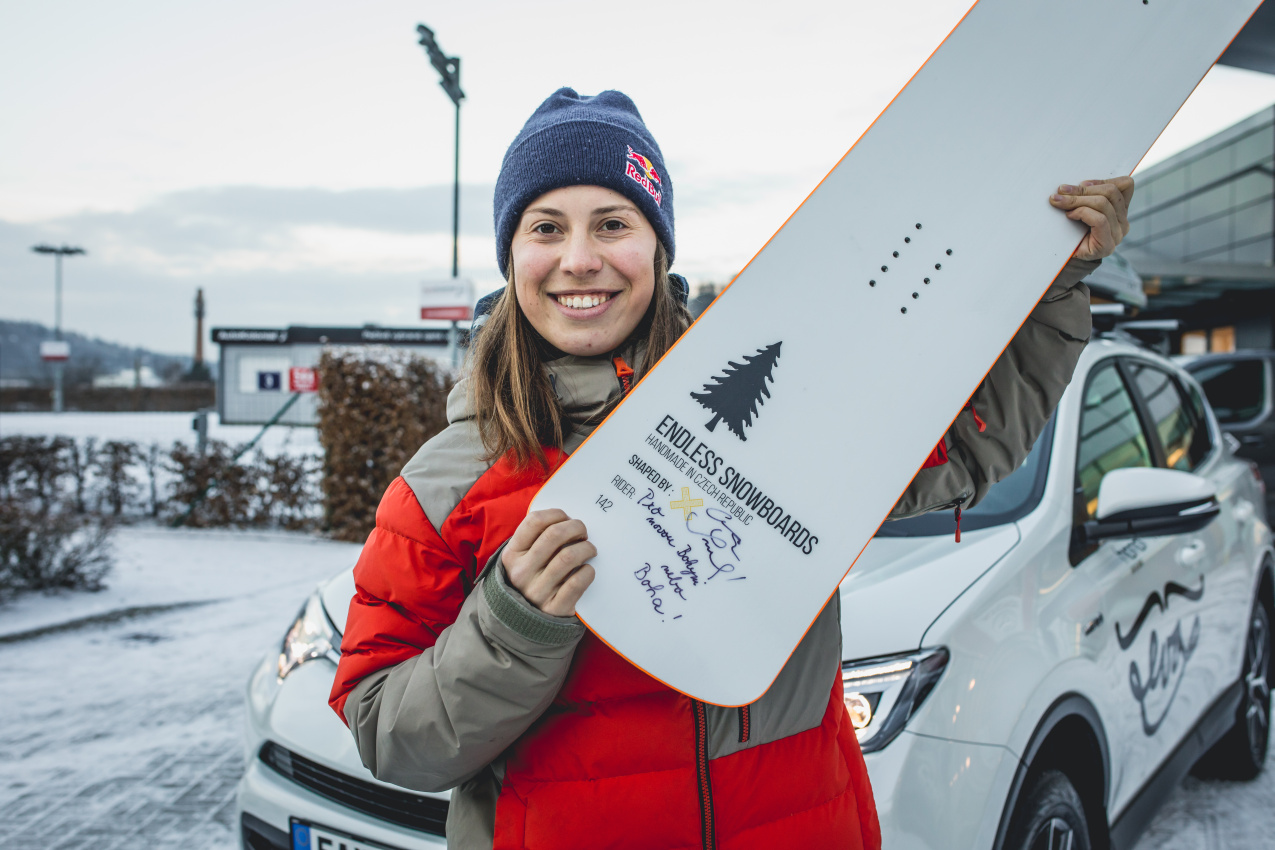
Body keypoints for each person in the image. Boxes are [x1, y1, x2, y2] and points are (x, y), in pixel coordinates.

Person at [328, 87, 1134, 850]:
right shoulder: (444, 487)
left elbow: (964, 444)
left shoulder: (772, 405)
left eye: (612, 224)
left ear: (657, 246)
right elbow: (387, 735)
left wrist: (1053, 271)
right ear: (510, 255)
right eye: (545, 228)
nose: (579, 259)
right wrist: (513, 625)